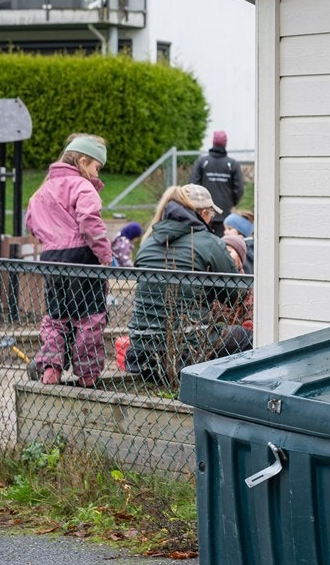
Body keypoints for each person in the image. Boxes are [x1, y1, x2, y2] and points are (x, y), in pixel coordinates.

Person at [125, 184, 251, 385]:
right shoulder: (209, 242)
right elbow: (235, 294)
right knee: (247, 337)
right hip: (187, 346)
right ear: (202, 213)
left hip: (141, 347)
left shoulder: (148, 241)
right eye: (210, 214)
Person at [25, 134, 111, 387]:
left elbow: (31, 223)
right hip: (83, 256)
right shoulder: (82, 187)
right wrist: (105, 254)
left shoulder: (42, 191)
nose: (97, 175)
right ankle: (87, 373)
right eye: (97, 167)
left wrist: (51, 238)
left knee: (56, 316)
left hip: (51, 258)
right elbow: (90, 221)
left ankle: (51, 368)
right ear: (83, 161)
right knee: (90, 316)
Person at [190, 131, 244, 214]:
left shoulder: (202, 162)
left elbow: (193, 185)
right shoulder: (233, 164)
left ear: (213, 142)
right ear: (225, 143)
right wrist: (233, 204)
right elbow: (239, 190)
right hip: (226, 212)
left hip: (204, 212)